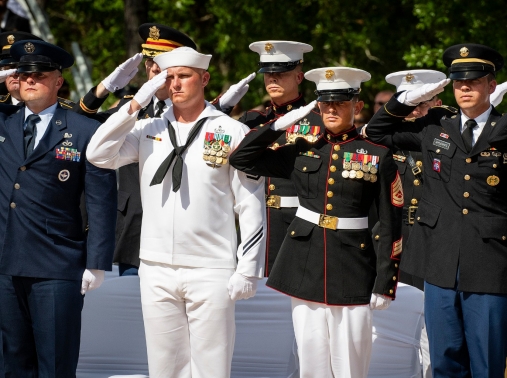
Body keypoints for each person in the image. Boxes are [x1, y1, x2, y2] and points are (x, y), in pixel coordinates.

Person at [86, 46, 265, 378]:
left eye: (184, 76)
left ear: (204, 78)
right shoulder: (146, 129)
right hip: (155, 267)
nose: (176, 84)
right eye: (169, 78)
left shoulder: (231, 131)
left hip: (211, 266)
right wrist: (134, 105)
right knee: (164, 365)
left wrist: (248, 268)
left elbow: (250, 202)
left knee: (211, 365)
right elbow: (97, 154)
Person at [230, 66, 403, 378]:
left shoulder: (376, 154)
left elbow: (390, 223)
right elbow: (241, 158)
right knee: (311, 362)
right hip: (304, 264)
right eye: (325, 103)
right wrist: (278, 125)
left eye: (340, 102)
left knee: (350, 364)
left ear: (358, 106)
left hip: (353, 268)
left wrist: (385, 281)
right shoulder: (302, 149)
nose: (332, 109)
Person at [366, 43, 507, 377]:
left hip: (490, 264)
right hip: (440, 262)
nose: (465, 88)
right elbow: (375, 132)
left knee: (487, 364)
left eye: (474, 81)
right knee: (443, 361)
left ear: (491, 85)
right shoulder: (434, 124)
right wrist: (406, 100)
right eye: (459, 82)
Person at [0, 40, 116, 377]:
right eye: (23, 73)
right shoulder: (4, 123)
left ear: (58, 80)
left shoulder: (85, 130)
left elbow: (101, 200)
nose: (29, 80)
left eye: (39, 73)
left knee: (55, 364)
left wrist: (97, 262)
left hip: (56, 265)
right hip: (6, 265)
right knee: (11, 364)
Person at [74, 23, 197, 276]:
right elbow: (77, 126)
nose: (153, 68)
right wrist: (104, 89)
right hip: (133, 229)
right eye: (150, 61)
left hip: (183, 227)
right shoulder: (131, 108)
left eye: (161, 61)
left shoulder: (195, 111)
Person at [225, 40, 324, 276]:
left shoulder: (318, 120)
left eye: (281, 73)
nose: (273, 79)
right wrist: (222, 106)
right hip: (253, 221)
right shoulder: (250, 120)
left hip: (297, 221)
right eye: (268, 74)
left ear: (299, 78)